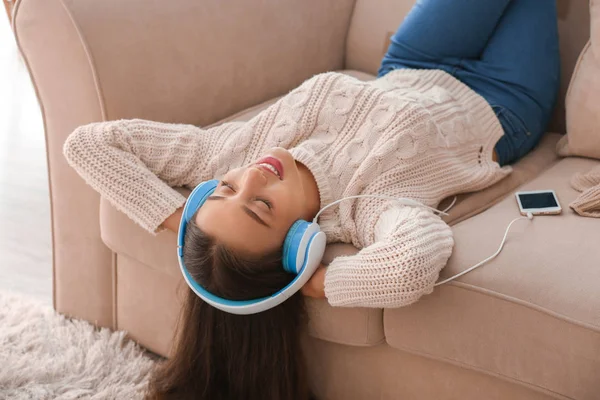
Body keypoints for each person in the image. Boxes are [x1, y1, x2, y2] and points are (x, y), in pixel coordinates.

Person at [63, 1, 559, 399]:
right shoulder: (367, 208)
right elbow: (414, 262)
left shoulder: (229, 154)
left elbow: (88, 144)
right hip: (502, 102)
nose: (254, 178)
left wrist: (179, 220)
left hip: (409, 63)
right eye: (260, 208)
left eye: (225, 192)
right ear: (300, 242)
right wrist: (323, 282)